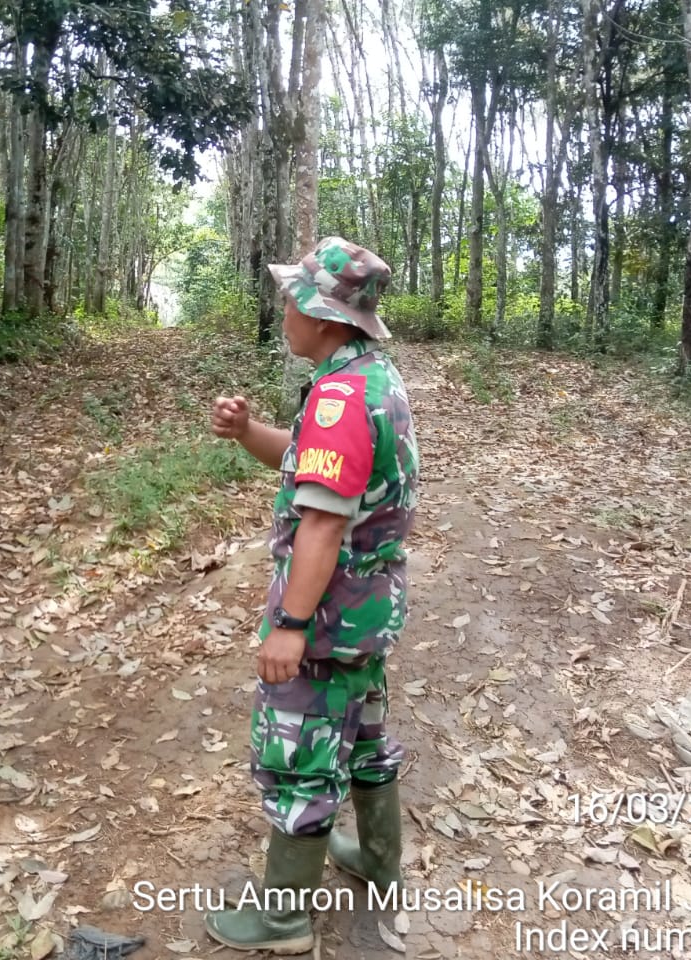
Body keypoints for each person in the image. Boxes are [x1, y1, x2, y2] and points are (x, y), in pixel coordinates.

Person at [205, 237, 420, 952]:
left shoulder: (339, 397)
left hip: (328, 617)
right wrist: (246, 432)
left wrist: (291, 624)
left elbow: (323, 524)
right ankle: (381, 863)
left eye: (291, 302)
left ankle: (283, 918)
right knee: (364, 737)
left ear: (323, 315)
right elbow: (309, 468)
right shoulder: (370, 377)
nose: (283, 313)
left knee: (299, 757)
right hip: (367, 611)